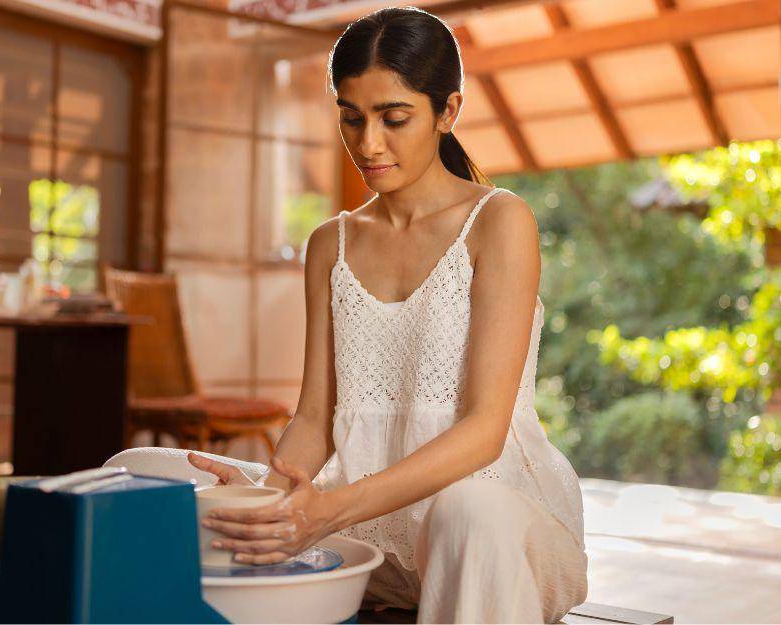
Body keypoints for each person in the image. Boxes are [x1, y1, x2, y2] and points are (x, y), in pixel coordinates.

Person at [104, 6, 587, 622]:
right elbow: (314, 417)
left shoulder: (499, 221)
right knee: (133, 471)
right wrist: (272, 498)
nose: (368, 143)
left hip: (493, 530)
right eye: (351, 118)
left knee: (469, 512)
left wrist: (328, 511)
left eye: (395, 118)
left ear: (449, 111)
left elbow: (485, 430)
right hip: (365, 530)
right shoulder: (330, 243)